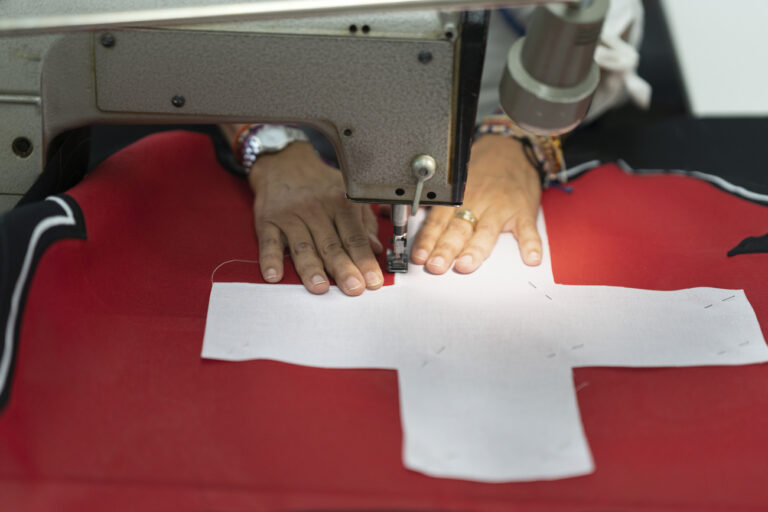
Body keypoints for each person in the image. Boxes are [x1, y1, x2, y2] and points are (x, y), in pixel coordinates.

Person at [222, 1, 649, 296]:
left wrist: (517, 132)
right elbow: (177, 34)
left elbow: (596, 34)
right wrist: (268, 141)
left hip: (490, 105)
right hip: (283, 98)